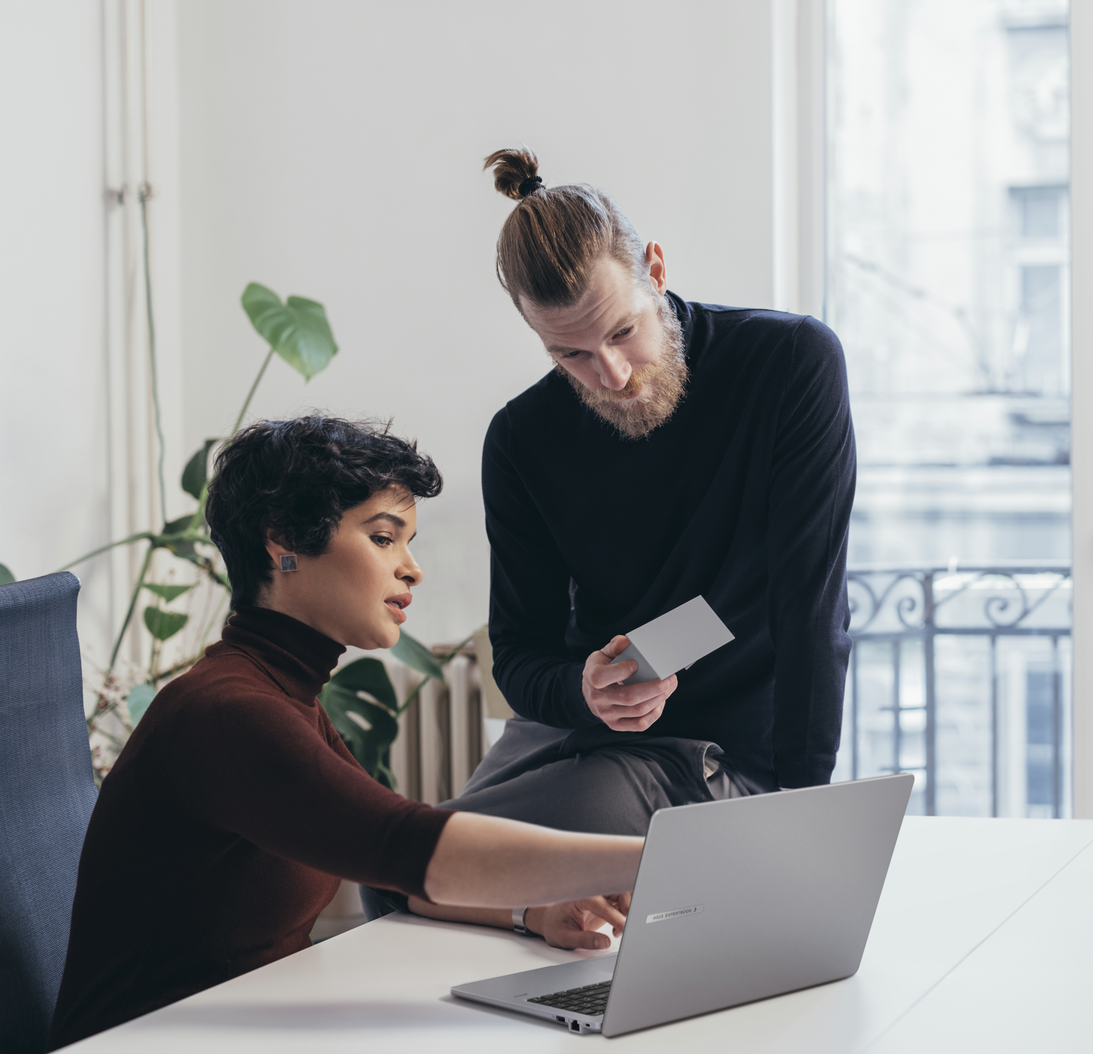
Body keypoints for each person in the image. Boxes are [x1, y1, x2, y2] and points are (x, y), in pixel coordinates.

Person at [48, 416, 641, 1050]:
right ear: (283, 542)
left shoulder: (285, 694)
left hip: (243, 1025)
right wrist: (651, 859)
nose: (412, 570)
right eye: (384, 538)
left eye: (408, 543)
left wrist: (535, 912)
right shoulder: (225, 711)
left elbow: (390, 875)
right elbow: (407, 848)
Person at [441, 148, 856, 840]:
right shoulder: (520, 439)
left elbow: (810, 608)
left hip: (720, 754)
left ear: (656, 272)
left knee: (440, 867)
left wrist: (802, 811)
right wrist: (583, 689)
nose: (610, 375)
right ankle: (543, 915)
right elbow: (519, 651)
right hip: (582, 727)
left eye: (623, 332)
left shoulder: (788, 365)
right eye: (569, 354)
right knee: (402, 873)